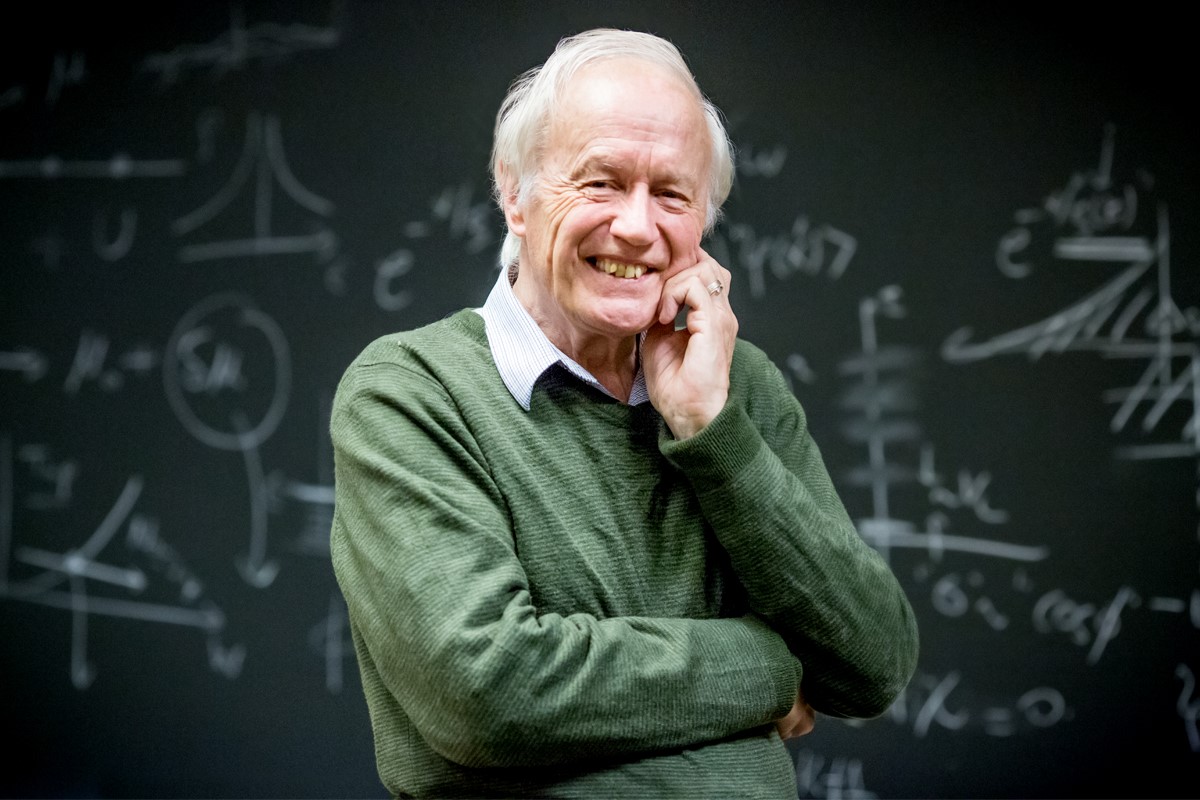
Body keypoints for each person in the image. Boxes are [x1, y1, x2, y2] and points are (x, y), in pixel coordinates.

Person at [330, 28, 918, 799]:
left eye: (671, 194)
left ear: (703, 221)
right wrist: (773, 668)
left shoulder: (738, 386)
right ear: (515, 193)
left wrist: (712, 433)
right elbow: (488, 694)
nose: (638, 227)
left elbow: (873, 662)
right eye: (601, 183)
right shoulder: (412, 392)